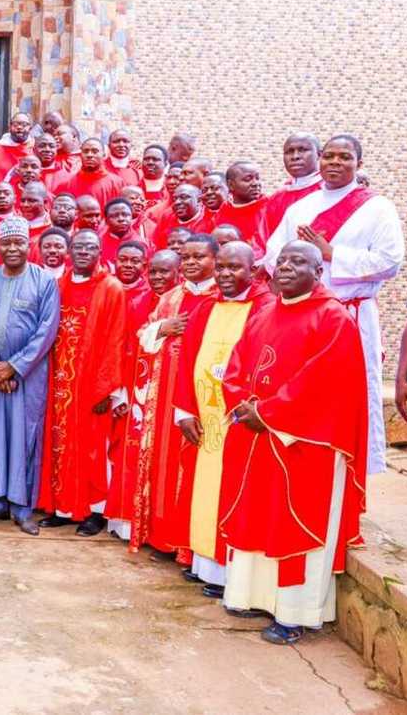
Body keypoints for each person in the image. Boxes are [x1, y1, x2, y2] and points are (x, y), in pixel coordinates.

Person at [219, 241, 368, 644]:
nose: (285, 266)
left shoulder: (334, 318)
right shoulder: (264, 312)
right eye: (281, 260)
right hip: (258, 437)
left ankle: (293, 612)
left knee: (293, 522)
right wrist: (241, 402)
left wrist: (267, 412)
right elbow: (236, 364)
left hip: (303, 443)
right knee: (257, 514)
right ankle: (250, 595)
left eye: (298, 261)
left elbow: (322, 382)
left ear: (318, 272)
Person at [264, 134, 403, 475]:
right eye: (329, 156)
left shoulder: (377, 207)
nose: (336, 163)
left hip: (351, 315)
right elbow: (272, 255)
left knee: (347, 395)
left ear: (359, 162)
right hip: (300, 316)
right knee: (299, 390)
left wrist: (332, 255)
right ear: (320, 160)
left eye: (345, 157)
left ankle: (348, 472)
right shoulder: (301, 208)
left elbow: (390, 260)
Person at [172, 241, 271, 596]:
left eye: (235, 268)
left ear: (253, 269)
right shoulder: (205, 307)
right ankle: (206, 565)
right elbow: (187, 360)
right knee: (205, 490)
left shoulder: (265, 307)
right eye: (222, 268)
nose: (226, 274)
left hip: (239, 419)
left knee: (235, 492)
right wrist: (183, 411)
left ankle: (230, 573)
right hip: (205, 416)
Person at [0, 216, 59, 535]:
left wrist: (14, 366)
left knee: (24, 437)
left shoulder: (44, 281)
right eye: (6, 242)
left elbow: (46, 331)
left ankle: (22, 508)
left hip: (27, 376)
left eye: (18, 242)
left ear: (28, 244)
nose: (12, 248)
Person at [133, 234, 219, 558]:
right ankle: (164, 537)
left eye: (200, 257)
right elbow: (144, 334)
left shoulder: (221, 298)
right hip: (167, 390)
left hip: (203, 395)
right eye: (187, 258)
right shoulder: (170, 297)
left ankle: (192, 547)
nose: (192, 263)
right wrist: (163, 327)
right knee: (165, 464)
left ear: (215, 259)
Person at [37, 228, 125, 535]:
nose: (84, 252)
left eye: (91, 248)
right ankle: (62, 507)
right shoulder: (57, 285)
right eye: (79, 248)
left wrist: (108, 389)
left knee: (92, 449)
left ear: (101, 252)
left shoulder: (111, 288)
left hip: (91, 384)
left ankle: (95, 511)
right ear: (69, 253)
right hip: (59, 379)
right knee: (60, 443)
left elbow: (115, 338)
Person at [105, 248, 180, 541]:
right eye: (154, 271)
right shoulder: (136, 301)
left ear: (178, 272)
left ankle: (160, 532)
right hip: (136, 392)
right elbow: (121, 345)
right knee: (130, 455)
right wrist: (119, 392)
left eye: (165, 271)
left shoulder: (184, 302)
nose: (158, 277)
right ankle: (127, 523)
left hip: (169, 394)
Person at [257, 133, 322, 249]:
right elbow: (262, 241)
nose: (295, 156)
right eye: (289, 152)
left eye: (303, 150)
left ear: (319, 155)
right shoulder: (276, 198)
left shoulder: (328, 190)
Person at [58, 138, 125, 209]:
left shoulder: (117, 183)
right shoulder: (66, 184)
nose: (89, 155)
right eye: (86, 151)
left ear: (104, 155)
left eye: (95, 151)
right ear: (80, 155)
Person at [213, 161, 265, 249]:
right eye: (248, 179)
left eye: (257, 178)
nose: (255, 183)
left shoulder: (269, 207)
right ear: (231, 185)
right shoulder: (222, 213)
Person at [152, 184, 214, 250]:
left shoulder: (209, 220)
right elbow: (157, 246)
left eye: (184, 197)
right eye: (175, 199)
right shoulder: (167, 217)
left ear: (198, 200)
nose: (177, 202)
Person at [99, 197, 145, 268]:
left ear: (131, 217)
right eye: (115, 216)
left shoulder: (143, 244)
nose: (121, 219)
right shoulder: (99, 245)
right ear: (106, 220)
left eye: (125, 215)